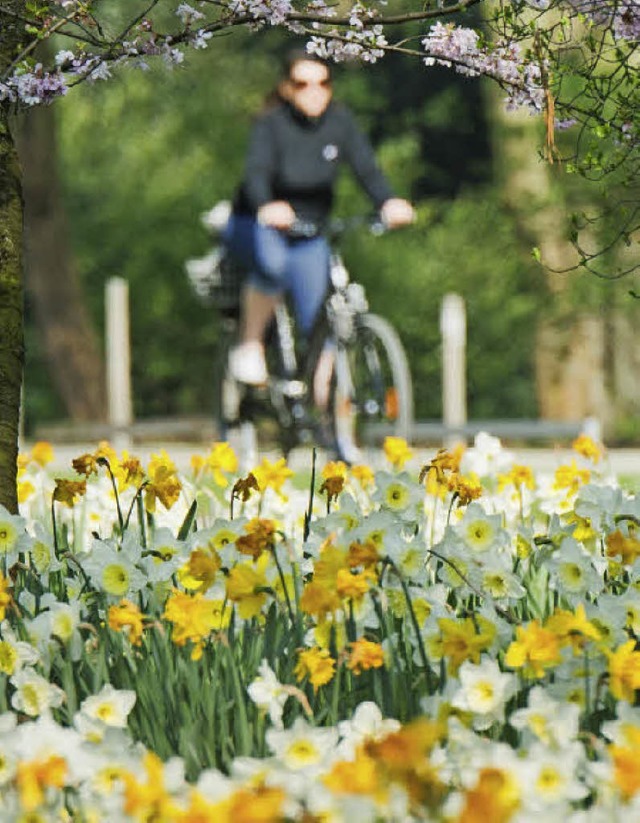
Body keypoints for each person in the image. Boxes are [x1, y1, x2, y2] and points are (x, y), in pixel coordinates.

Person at [224, 48, 415, 385]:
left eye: (323, 82)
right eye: (302, 83)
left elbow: (367, 169)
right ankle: (250, 343)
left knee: (322, 323)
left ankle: (330, 421)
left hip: (310, 231)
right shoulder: (271, 125)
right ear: (286, 87)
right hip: (261, 224)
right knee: (272, 266)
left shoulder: (340, 122)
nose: (314, 91)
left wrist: (389, 202)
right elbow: (255, 173)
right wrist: (268, 205)